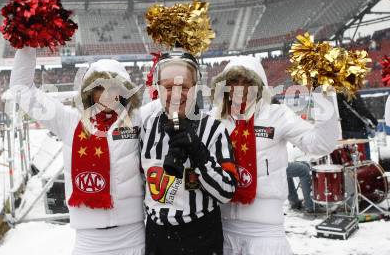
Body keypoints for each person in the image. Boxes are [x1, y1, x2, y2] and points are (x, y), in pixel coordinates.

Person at [8, 47, 145, 255]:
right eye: (101, 87)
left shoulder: (138, 119)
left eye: (114, 87)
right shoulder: (69, 121)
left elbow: (173, 102)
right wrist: (27, 46)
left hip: (132, 236)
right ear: (90, 90)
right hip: (89, 240)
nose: (108, 95)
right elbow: (22, 91)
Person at [210, 56, 340, 255]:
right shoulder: (213, 119)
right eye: (233, 82)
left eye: (247, 82)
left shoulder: (277, 115)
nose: (240, 89)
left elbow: (321, 143)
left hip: (266, 235)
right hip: (221, 231)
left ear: (259, 86)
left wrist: (324, 94)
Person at [140, 51, 237, 255]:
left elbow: (227, 191)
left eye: (183, 87)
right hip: (156, 236)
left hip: (200, 236)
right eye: (168, 87)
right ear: (159, 89)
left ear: (195, 89)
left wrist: (198, 152)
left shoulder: (214, 129)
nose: (176, 94)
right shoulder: (147, 127)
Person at [337, 92, 377, 160]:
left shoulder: (336, 95)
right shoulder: (352, 92)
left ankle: (351, 167)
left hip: (344, 130)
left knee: (348, 154)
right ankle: (365, 166)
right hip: (358, 130)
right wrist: (374, 121)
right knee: (363, 154)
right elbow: (362, 109)